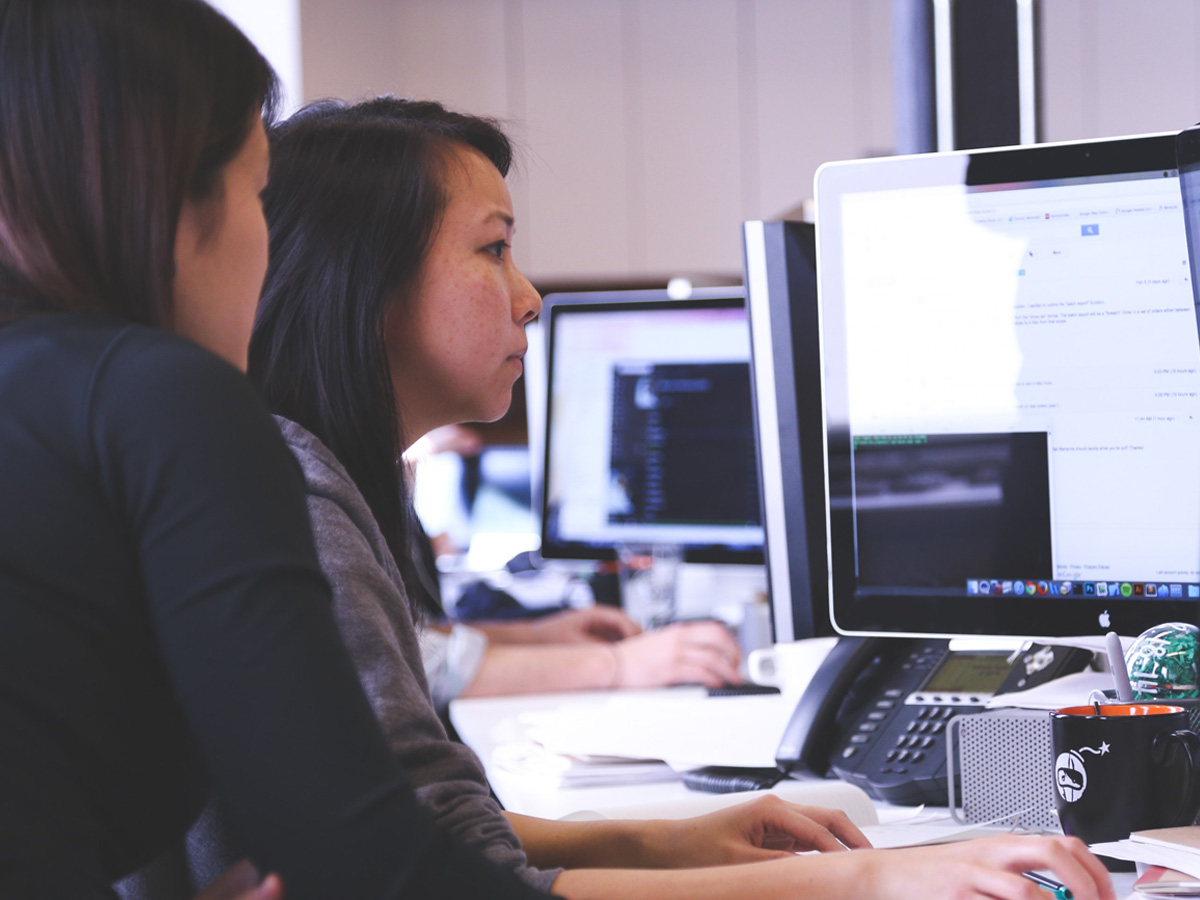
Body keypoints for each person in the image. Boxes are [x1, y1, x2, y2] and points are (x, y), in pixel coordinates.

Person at [239, 96, 1115, 900]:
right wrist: (866, 882)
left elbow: (425, 831)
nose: (530, 298)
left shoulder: (317, 483)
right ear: (365, 281)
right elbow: (454, 885)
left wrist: (666, 840)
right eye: (493, 249)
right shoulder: (296, 502)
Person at [0, 2, 561, 899]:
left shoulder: (45, 394)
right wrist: (852, 885)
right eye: (255, 197)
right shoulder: (161, 398)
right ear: (170, 198)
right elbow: (371, 866)